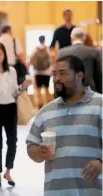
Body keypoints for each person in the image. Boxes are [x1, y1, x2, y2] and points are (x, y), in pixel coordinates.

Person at [26, 55, 102, 196]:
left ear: (79, 75)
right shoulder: (46, 111)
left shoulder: (99, 105)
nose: (57, 78)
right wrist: (39, 152)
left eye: (63, 73)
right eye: (54, 74)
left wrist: (100, 162)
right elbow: (31, 146)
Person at [0, 43, 32, 187]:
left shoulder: (11, 71)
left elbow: (15, 92)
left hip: (10, 108)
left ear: (4, 55)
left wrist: (23, 87)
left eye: (0, 54)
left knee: (12, 141)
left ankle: (8, 171)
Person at [58, 27, 102, 94]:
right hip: (90, 92)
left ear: (71, 38)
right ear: (84, 37)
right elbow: (99, 76)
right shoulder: (94, 52)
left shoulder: (62, 53)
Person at [29, 35, 53, 109]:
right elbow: (51, 60)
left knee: (38, 90)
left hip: (37, 72)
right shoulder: (47, 49)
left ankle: (40, 105)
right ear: (44, 40)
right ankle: (48, 105)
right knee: (47, 89)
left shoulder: (36, 49)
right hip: (47, 72)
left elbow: (30, 58)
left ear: (39, 40)